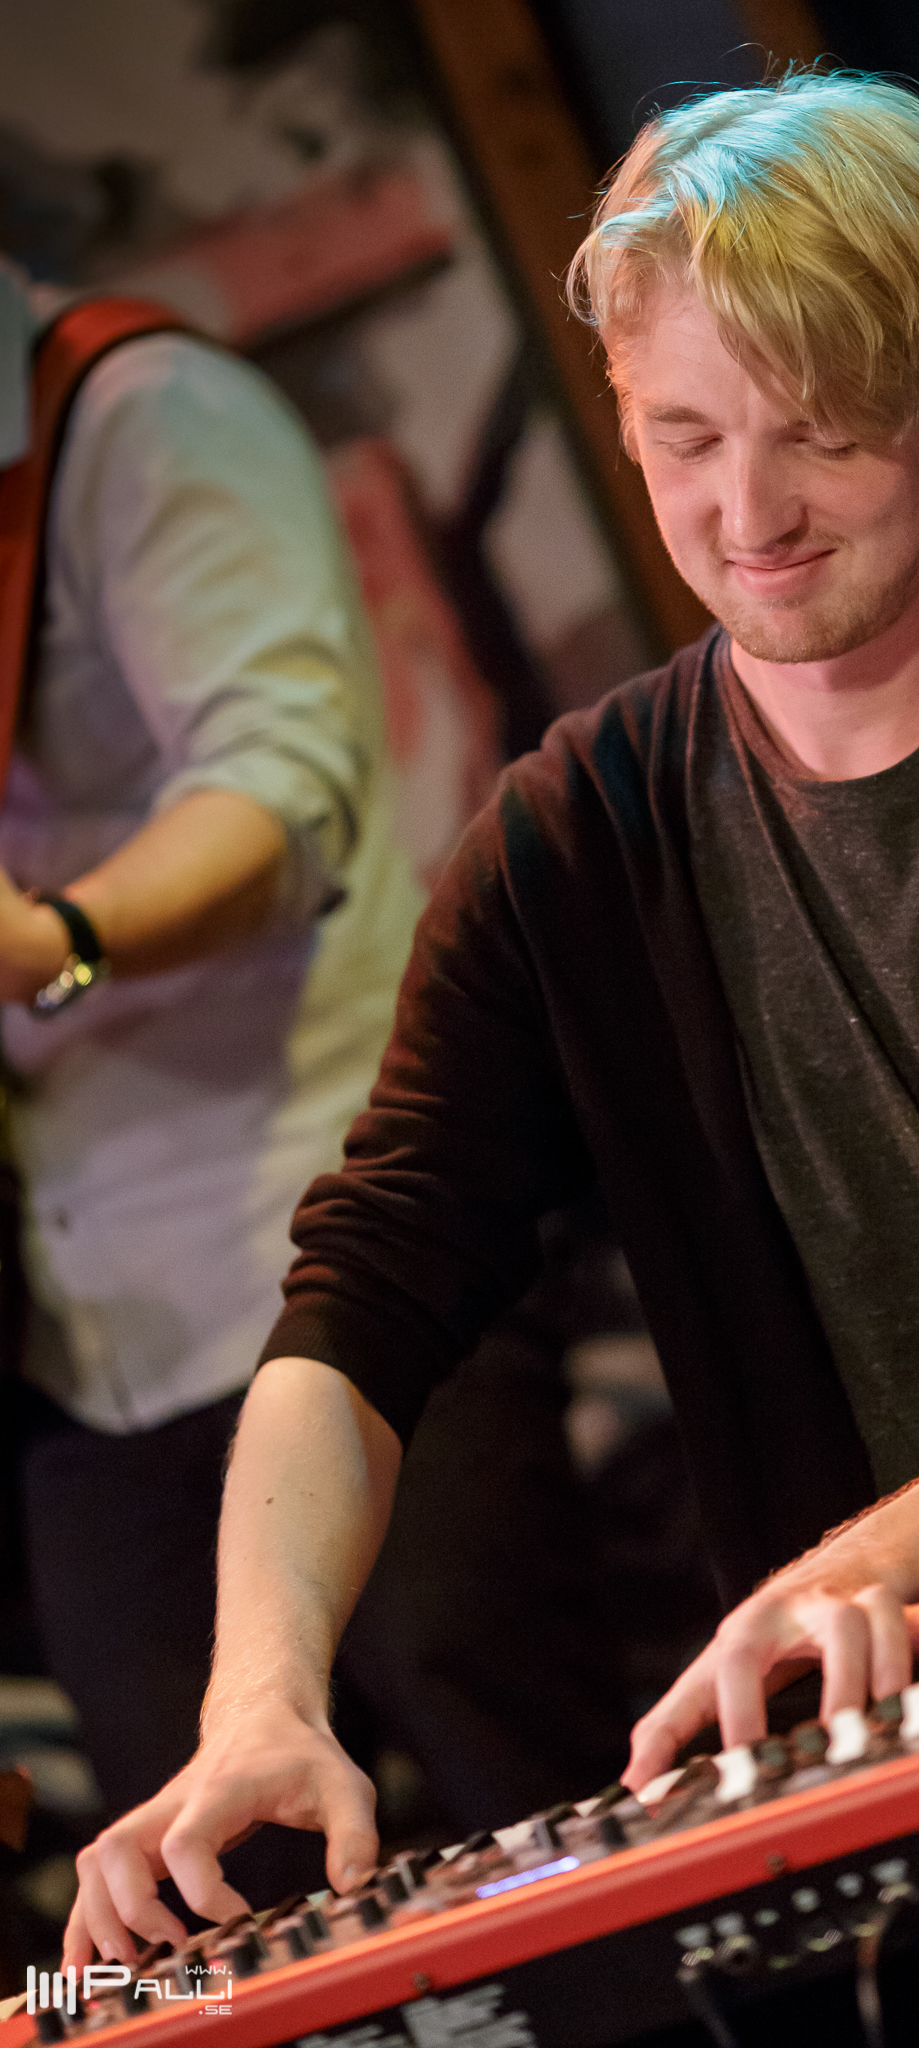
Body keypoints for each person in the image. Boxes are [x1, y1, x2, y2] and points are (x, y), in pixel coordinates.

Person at [64, 71, 919, 1966]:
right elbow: (365, 1293)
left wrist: (859, 1565)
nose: (744, 513)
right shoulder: (573, 840)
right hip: (893, 1788)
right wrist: (257, 1695)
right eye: (684, 435)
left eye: (816, 436)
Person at [0, 262, 424, 1897]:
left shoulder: (142, 413)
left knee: (523, 1823)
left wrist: (54, 942)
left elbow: (285, 796)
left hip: (334, 1253)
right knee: (185, 1925)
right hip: (86, 1332)